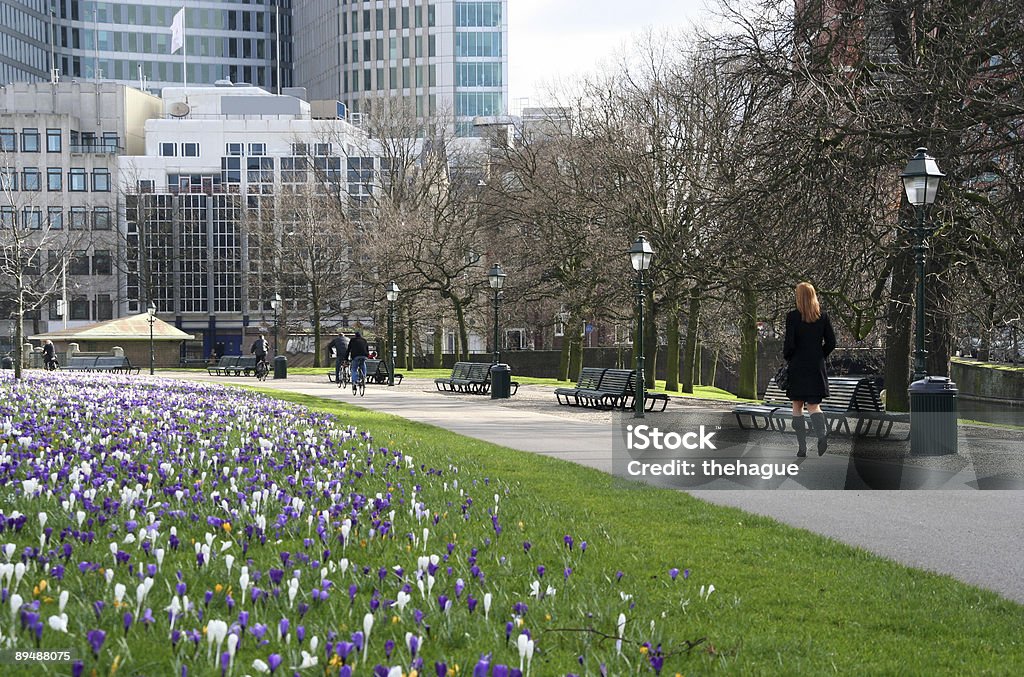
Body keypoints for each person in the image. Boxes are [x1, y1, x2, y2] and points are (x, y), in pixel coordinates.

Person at [783, 282, 837, 457]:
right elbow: (831, 342)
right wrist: (819, 355)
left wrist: (789, 356)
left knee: (797, 406)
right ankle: (821, 435)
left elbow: (789, 344)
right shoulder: (823, 317)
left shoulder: (792, 317)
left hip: (798, 365)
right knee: (814, 406)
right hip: (815, 366)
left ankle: (802, 448)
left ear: (799, 297)